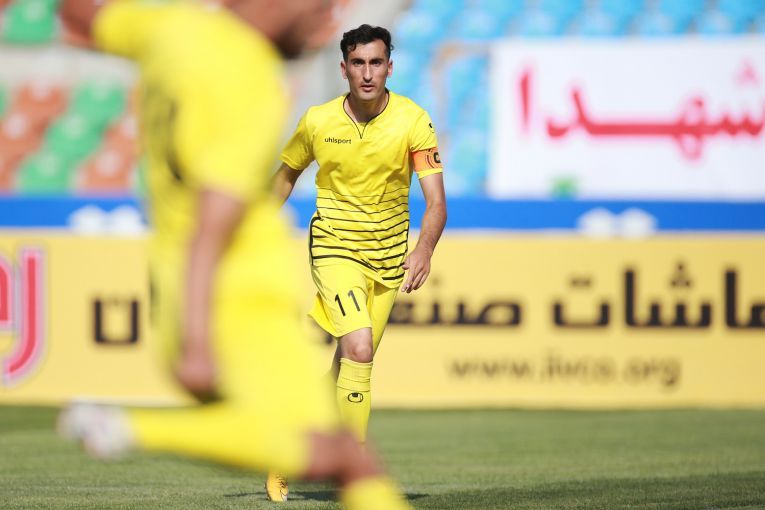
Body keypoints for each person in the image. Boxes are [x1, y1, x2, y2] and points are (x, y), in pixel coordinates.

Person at [56, 2, 412, 509]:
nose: (327, 20)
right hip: (237, 299)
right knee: (336, 455)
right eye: (320, 4)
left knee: (347, 460)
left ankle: (123, 426)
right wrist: (199, 338)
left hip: (179, 287)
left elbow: (78, 17)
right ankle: (125, 426)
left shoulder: (173, 29)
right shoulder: (246, 77)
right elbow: (213, 221)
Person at [269, 23, 447, 498]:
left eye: (376, 63)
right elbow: (285, 176)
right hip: (335, 248)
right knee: (360, 349)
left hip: (388, 261)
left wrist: (424, 248)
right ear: (344, 68)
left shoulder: (413, 121)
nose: (367, 73)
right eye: (358, 63)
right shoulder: (318, 121)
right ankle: (357, 474)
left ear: (390, 67)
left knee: (347, 364)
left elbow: (436, 201)